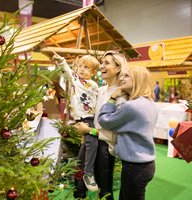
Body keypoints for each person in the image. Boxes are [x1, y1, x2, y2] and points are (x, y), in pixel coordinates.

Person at [73, 50, 128, 199]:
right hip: (90, 141)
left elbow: (116, 132)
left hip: (105, 147)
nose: (102, 66)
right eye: (101, 63)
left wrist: (90, 131)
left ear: (118, 68)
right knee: (78, 178)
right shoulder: (100, 90)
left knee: (105, 190)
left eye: (107, 63)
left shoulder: (121, 95)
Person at [98, 66, 158, 200]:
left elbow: (104, 120)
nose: (121, 78)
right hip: (145, 165)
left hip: (134, 167)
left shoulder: (132, 106)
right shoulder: (149, 102)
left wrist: (112, 98)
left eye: (126, 76)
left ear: (137, 80)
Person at [52, 52, 99, 192]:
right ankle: (88, 173)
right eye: (80, 66)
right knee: (92, 143)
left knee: (84, 151)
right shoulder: (75, 80)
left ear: (93, 72)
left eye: (86, 67)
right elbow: (67, 70)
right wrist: (61, 61)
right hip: (82, 118)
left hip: (93, 117)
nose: (82, 69)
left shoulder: (94, 85)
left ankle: (79, 186)